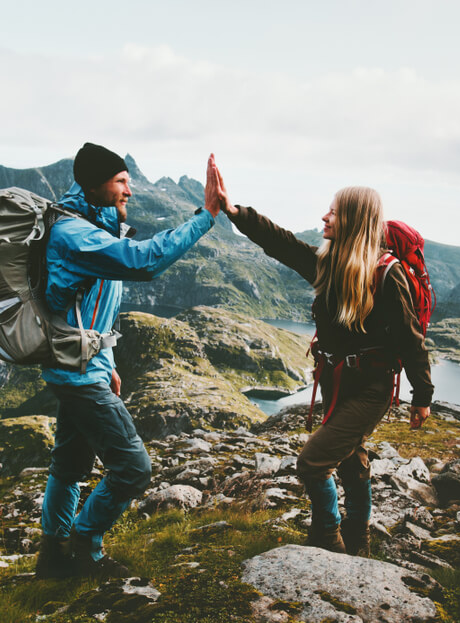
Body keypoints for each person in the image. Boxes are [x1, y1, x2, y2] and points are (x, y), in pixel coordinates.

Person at [209, 159, 433, 556]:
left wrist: (422, 397)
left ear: (353, 220)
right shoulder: (328, 266)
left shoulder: (388, 274)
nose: (324, 217)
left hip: (370, 388)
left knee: (312, 463)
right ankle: (359, 539)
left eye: (333, 211)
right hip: (335, 381)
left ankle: (327, 536)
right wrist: (233, 211)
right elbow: (280, 242)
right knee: (349, 459)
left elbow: (410, 339)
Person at [36, 143, 222, 578]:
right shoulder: (74, 234)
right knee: (134, 470)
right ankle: (84, 545)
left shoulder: (94, 229)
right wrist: (206, 215)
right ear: (93, 185)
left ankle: (52, 555)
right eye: (121, 181)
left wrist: (110, 360)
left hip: (81, 367)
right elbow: (145, 262)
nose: (129, 191)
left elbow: (94, 308)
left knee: (69, 466)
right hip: (78, 375)